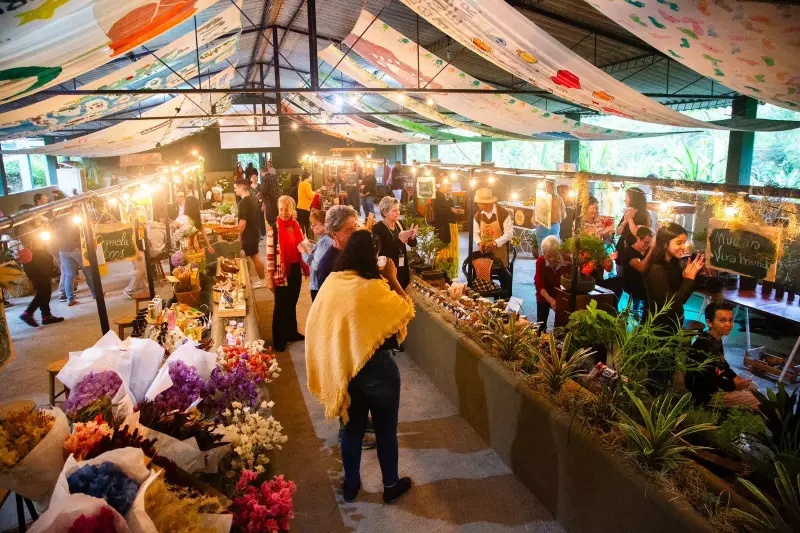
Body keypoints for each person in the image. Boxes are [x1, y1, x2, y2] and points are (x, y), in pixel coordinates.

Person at [305, 229, 415, 504]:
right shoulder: (376, 287)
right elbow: (405, 311)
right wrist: (391, 277)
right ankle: (390, 485)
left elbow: (316, 323)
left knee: (351, 430)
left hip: (348, 372)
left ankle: (351, 485)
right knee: (386, 432)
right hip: (382, 373)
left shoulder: (332, 283)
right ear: (371, 256)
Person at [687, 302, 759, 409]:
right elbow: (706, 383)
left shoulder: (715, 339)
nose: (728, 324)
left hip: (716, 384)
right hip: (705, 395)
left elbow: (723, 364)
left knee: (753, 386)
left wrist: (734, 377)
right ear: (710, 322)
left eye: (731, 320)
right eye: (722, 320)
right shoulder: (704, 345)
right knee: (753, 400)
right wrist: (733, 385)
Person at [645, 222, 705, 333]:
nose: (683, 247)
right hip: (660, 328)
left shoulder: (675, 263)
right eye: (679, 243)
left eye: (684, 242)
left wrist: (695, 275)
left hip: (675, 323)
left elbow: (683, 298)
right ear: (664, 244)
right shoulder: (656, 269)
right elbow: (669, 306)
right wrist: (688, 280)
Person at [266, 195, 308, 351]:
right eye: (281, 209)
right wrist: (270, 278)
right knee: (281, 306)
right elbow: (270, 256)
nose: (283, 212)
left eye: (286, 209)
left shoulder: (296, 225)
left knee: (292, 302)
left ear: (292, 210)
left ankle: (291, 332)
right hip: (281, 271)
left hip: (295, 268)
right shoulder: (274, 229)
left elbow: (302, 245)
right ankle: (279, 340)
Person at [473, 188, 514, 296]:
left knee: (506, 281)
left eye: (480, 204)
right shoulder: (478, 215)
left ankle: (503, 303)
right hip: (484, 255)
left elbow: (509, 234)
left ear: (488, 203)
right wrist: (479, 242)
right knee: (481, 282)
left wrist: (495, 243)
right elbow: (475, 233)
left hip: (499, 255)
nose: (478, 206)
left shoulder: (503, 214)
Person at [53, 206, 95, 305]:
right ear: (70, 209)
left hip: (63, 251)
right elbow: (80, 232)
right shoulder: (73, 219)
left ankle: (70, 299)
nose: (78, 210)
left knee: (69, 275)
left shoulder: (56, 221)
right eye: (76, 209)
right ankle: (95, 294)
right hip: (76, 249)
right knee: (88, 272)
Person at [373, 196, 418, 289]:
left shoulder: (399, 223)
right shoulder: (378, 228)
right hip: (388, 270)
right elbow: (380, 252)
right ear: (385, 213)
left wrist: (412, 237)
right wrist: (399, 241)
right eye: (394, 210)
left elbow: (412, 244)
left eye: (398, 209)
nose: (398, 213)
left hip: (402, 266)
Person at [19, 234, 64, 327]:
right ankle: (28, 313)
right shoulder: (28, 231)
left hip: (39, 266)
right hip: (37, 267)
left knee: (45, 292)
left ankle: (46, 316)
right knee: (43, 293)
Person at [124, 208, 168, 299]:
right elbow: (134, 240)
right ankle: (129, 290)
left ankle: (146, 288)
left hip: (140, 249)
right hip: (137, 250)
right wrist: (137, 251)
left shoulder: (141, 225)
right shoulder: (134, 225)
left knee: (142, 269)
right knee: (140, 270)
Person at [534, 235, 570, 333]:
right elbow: (539, 285)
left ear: (559, 252)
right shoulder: (541, 261)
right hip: (545, 295)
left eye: (554, 255)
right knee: (540, 326)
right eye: (548, 256)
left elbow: (571, 281)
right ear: (543, 253)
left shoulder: (567, 260)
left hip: (562, 295)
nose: (552, 259)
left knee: (562, 327)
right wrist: (550, 300)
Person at [316, 205, 358, 288]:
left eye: (356, 226)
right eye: (349, 230)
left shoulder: (355, 250)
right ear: (334, 234)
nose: (355, 232)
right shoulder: (327, 266)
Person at [234, 179, 266, 288]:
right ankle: (259, 280)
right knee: (251, 257)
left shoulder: (243, 202)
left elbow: (242, 223)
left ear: (241, 188)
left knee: (246, 258)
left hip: (249, 235)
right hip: (255, 232)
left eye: (236, 188)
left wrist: (238, 235)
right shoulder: (252, 199)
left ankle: (247, 282)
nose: (235, 190)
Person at [299, 209, 332, 302]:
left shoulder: (325, 242)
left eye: (315, 224)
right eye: (311, 224)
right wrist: (310, 245)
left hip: (318, 284)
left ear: (325, 225)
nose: (312, 227)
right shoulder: (326, 238)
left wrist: (303, 252)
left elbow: (315, 265)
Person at [622, 226, 654, 320]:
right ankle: (645, 322)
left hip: (644, 283)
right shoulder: (629, 251)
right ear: (638, 238)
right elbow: (641, 267)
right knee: (652, 296)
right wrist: (651, 250)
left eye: (649, 243)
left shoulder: (646, 250)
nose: (647, 245)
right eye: (646, 242)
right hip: (633, 285)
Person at [432, 179, 462, 273]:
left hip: (451, 226)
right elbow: (437, 211)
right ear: (442, 185)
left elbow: (450, 207)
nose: (450, 188)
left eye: (450, 185)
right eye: (448, 185)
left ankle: (451, 271)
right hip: (443, 227)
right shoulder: (437, 196)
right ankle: (442, 272)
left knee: (452, 249)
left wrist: (457, 211)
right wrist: (450, 210)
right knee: (443, 249)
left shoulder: (448, 196)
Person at [615, 187, 652, 256]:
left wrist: (629, 219)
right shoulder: (628, 212)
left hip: (635, 253)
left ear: (633, 198)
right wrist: (624, 221)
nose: (624, 200)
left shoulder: (645, 214)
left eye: (626, 197)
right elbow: (617, 232)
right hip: (621, 250)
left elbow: (640, 235)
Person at [533, 181, 566, 257]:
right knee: (554, 247)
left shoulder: (541, 198)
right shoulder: (559, 199)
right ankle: (552, 265)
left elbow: (536, 213)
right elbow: (563, 214)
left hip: (543, 226)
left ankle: (544, 264)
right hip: (555, 226)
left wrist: (537, 222)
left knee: (543, 248)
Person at [296, 171, 314, 237]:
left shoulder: (301, 184)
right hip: (304, 209)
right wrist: (315, 193)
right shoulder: (307, 184)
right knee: (305, 227)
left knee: (302, 227)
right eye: (311, 176)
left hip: (300, 208)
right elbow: (310, 196)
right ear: (308, 176)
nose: (311, 178)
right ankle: (305, 243)